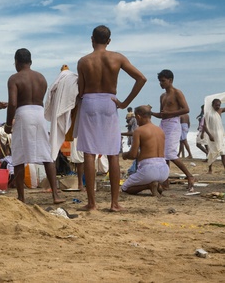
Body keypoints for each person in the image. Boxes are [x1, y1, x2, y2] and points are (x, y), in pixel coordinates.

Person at [76, 25, 147, 211]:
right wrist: (124, 103)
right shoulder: (117, 57)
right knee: (113, 153)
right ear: (109, 41)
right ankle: (114, 203)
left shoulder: (83, 61)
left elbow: (81, 91)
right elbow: (141, 78)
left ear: (92, 39)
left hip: (89, 101)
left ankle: (92, 203)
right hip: (109, 101)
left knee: (89, 153)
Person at [4, 48, 64, 204]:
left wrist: (8, 124)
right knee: (46, 154)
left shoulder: (14, 78)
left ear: (16, 62)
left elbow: (13, 103)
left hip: (23, 113)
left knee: (18, 156)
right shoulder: (41, 78)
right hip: (39, 113)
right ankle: (56, 195)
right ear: (30, 62)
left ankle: (21, 197)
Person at [151, 69, 196, 191]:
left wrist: (171, 113)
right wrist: (150, 113)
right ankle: (165, 181)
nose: (161, 83)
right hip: (164, 124)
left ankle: (189, 176)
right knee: (162, 154)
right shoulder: (162, 96)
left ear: (170, 80)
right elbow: (162, 114)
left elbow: (186, 109)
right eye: (160, 81)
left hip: (174, 124)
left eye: (163, 81)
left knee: (170, 153)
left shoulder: (177, 93)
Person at [121, 105, 169, 196]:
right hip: (164, 170)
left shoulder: (139, 131)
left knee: (125, 187)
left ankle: (149, 185)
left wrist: (125, 155)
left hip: (149, 169)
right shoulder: (160, 130)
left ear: (138, 116)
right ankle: (157, 184)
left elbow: (133, 155)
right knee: (148, 175)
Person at [202, 98, 225, 174]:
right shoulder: (208, 113)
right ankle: (210, 169)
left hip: (220, 135)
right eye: (216, 105)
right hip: (212, 135)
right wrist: (209, 135)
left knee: (223, 152)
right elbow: (204, 126)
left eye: (219, 105)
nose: (218, 107)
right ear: (212, 105)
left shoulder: (220, 111)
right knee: (211, 152)